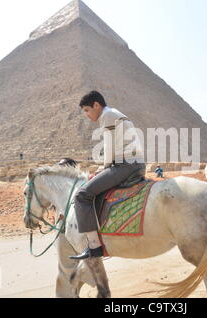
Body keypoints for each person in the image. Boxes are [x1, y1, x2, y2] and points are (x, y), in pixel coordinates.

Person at [70, 91, 145, 260]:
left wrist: (104, 167)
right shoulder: (115, 113)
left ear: (97, 105)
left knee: (82, 195)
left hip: (125, 165)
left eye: (87, 110)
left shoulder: (108, 115)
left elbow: (109, 146)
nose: (87, 115)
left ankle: (94, 246)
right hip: (134, 163)